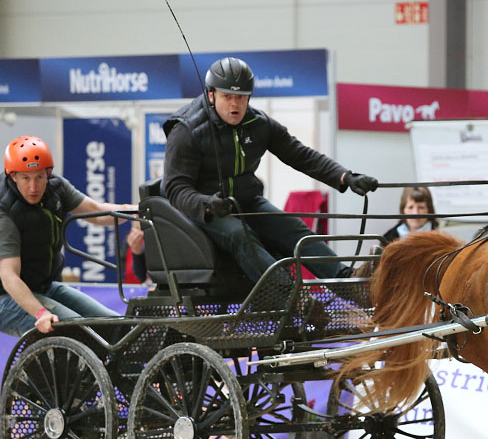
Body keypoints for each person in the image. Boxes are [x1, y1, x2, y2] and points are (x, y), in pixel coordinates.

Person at [161, 56, 379, 287]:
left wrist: (345, 177)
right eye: (227, 97)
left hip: (245, 202)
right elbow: (175, 188)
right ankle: (290, 297)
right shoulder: (187, 129)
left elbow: (300, 154)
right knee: (239, 235)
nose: (235, 104)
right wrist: (206, 203)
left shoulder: (258, 123)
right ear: (212, 95)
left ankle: (348, 283)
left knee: (293, 227)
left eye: (241, 97)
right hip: (203, 209)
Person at [0, 135, 138, 337]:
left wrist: (134, 210)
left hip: (42, 286)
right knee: (78, 331)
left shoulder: (56, 187)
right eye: (25, 178)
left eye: (39, 177)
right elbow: (10, 278)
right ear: (12, 176)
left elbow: (97, 211)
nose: (33, 187)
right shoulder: (0, 213)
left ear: (48, 173)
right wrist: (41, 313)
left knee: (118, 326)